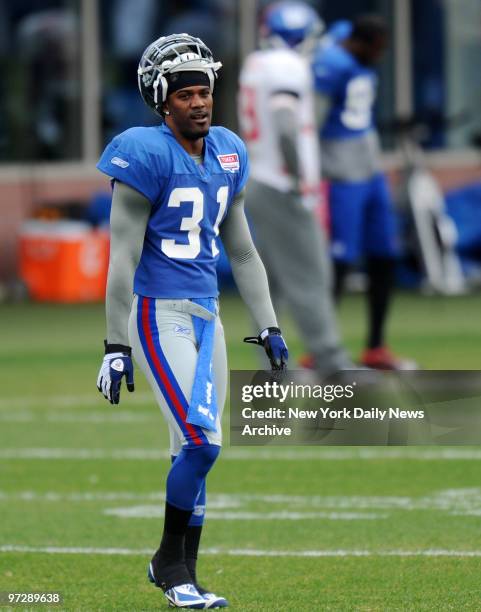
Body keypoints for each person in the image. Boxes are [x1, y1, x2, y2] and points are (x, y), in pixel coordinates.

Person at [95, 33, 288, 609]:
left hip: (209, 317)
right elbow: (123, 257)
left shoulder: (228, 150)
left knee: (192, 446)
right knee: (204, 442)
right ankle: (167, 561)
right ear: (162, 100)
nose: (199, 103)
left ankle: (185, 575)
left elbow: (244, 249)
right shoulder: (143, 151)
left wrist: (271, 325)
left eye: (205, 92)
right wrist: (114, 343)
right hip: (157, 314)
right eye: (186, 96)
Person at [238, 1, 354, 376]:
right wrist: (300, 175)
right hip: (280, 183)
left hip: (260, 178)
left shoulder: (258, 63)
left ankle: (274, 364)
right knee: (309, 277)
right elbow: (286, 122)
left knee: (270, 284)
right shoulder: (287, 67)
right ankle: (330, 359)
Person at [312, 15, 416, 370]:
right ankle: (318, 349)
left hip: (371, 171)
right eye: (378, 48)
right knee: (340, 261)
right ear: (361, 43)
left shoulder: (347, 46)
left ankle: (375, 346)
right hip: (341, 175)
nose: (382, 55)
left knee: (385, 255)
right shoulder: (331, 62)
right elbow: (312, 121)